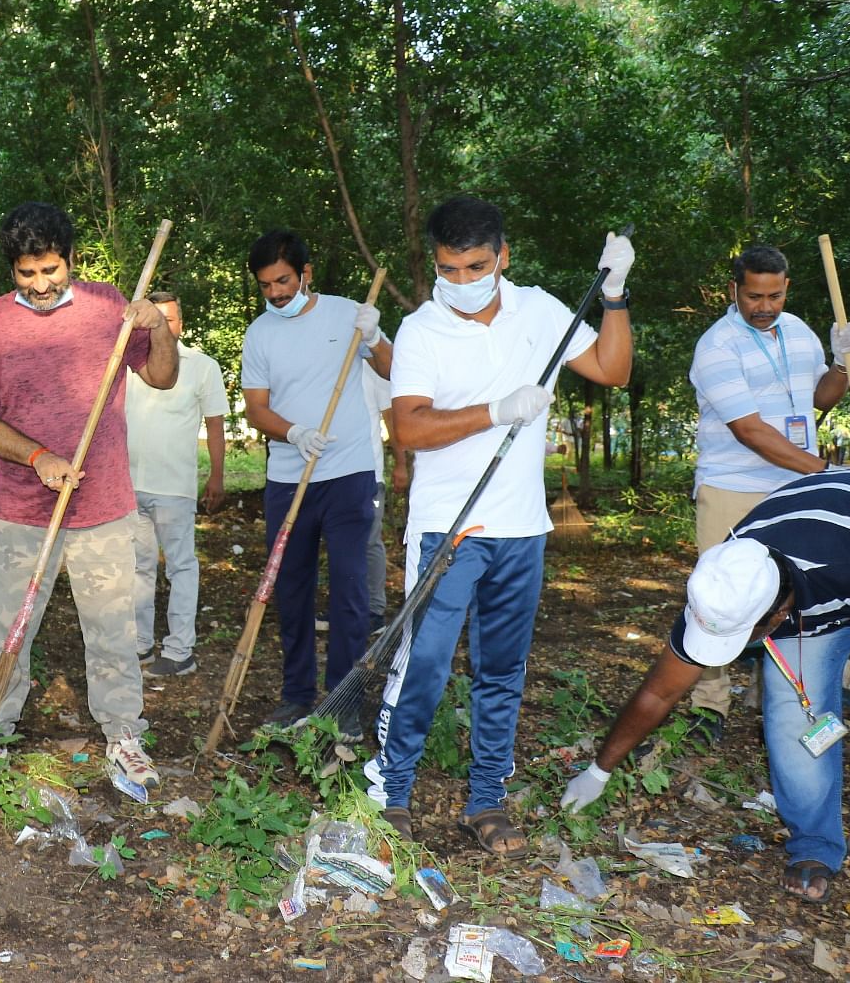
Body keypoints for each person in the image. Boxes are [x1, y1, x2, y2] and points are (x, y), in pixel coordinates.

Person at [364, 195, 634, 856]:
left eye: (474, 267)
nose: (460, 282)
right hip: (448, 529)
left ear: (502, 258)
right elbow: (411, 427)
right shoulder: (424, 328)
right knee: (423, 664)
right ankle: (392, 793)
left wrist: (617, 296)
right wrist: (497, 409)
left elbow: (612, 370)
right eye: (448, 269)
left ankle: (486, 799)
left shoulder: (539, 310)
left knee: (502, 670)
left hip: (521, 528)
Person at [561, 471, 850, 904]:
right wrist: (599, 771)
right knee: (794, 714)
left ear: (777, 618)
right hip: (811, 598)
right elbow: (659, 692)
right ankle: (816, 844)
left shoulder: (847, 557)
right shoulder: (726, 581)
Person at [0, 201, 177, 789]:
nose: (41, 284)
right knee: (7, 630)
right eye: (27, 274)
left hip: (105, 507)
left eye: (51, 270)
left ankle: (124, 737)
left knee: (112, 630)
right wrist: (38, 457)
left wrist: (156, 329)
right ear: (11, 270)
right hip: (21, 511)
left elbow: (162, 376)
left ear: (71, 259)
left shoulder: (110, 308)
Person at [685, 245, 850, 738]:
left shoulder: (799, 332)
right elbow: (750, 431)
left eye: (774, 295)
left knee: (790, 594)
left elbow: (818, 400)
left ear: (786, 289)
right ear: (733, 290)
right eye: (754, 296)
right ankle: (709, 706)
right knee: (719, 596)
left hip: (792, 486)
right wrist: (825, 471)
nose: (764, 306)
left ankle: (775, 695)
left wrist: (843, 364)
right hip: (732, 486)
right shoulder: (717, 346)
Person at [240, 229, 392, 729]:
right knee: (292, 588)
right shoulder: (260, 333)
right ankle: (297, 694)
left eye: (283, 280)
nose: (276, 293)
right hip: (289, 478)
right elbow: (257, 409)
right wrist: (294, 432)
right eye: (265, 286)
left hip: (349, 473)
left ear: (305, 273)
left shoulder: (348, 313)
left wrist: (375, 338)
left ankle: (345, 702)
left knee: (350, 591)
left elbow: (395, 372)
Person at [125, 290, 228, 678]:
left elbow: (216, 424)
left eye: (168, 320)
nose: (161, 327)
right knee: (138, 567)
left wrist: (216, 476)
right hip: (130, 485)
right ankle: (139, 644)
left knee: (181, 567)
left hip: (175, 487)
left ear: (179, 324)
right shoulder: (128, 363)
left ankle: (180, 649)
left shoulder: (202, 366)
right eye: (153, 319)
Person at [362, 366, 407, 634]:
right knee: (338, 543)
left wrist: (400, 465)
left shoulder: (373, 364)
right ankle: (346, 606)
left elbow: (392, 420)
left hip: (369, 475)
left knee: (369, 540)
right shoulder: (321, 357)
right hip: (331, 475)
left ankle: (374, 611)